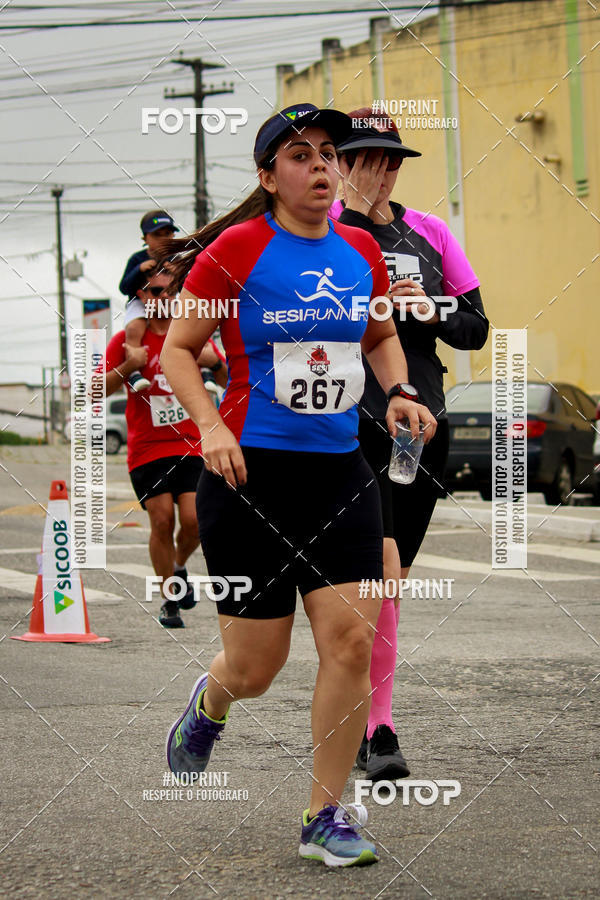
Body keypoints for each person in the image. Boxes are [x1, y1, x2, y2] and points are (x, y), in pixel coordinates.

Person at [159, 103, 437, 868]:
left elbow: (379, 335)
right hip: (247, 473)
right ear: (269, 175)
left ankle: (325, 815)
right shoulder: (233, 251)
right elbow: (179, 353)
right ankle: (210, 703)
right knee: (257, 668)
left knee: (350, 639)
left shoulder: (360, 253)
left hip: (340, 474)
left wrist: (403, 390)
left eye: (329, 155)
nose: (322, 166)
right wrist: (211, 426)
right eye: (301, 155)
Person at [331, 108, 489, 782]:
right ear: (339, 164)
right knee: (378, 571)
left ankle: (368, 716)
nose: (381, 170)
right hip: (342, 421)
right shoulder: (322, 231)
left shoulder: (430, 231)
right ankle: (377, 724)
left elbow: (478, 327)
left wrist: (430, 307)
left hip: (420, 422)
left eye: (392, 159)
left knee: (388, 580)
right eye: (365, 158)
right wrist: (358, 218)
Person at [101, 270, 226, 629]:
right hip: (148, 446)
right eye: (157, 291)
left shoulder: (192, 334)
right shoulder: (128, 341)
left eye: (173, 290)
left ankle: (179, 566)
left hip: (190, 443)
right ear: (142, 295)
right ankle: (170, 600)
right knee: (160, 518)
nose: (165, 297)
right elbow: (94, 390)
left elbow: (227, 379)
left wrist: (213, 362)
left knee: (193, 520)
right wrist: (129, 366)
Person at [118, 210, 179, 392]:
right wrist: (138, 270)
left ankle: (206, 369)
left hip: (172, 301)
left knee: (195, 321)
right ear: (145, 238)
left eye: (167, 234)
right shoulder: (138, 258)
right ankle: (135, 370)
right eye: (156, 235)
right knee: (134, 327)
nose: (163, 239)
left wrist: (178, 272)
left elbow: (188, 287)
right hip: (140, 302)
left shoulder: (176, 258)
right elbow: (124, 288)